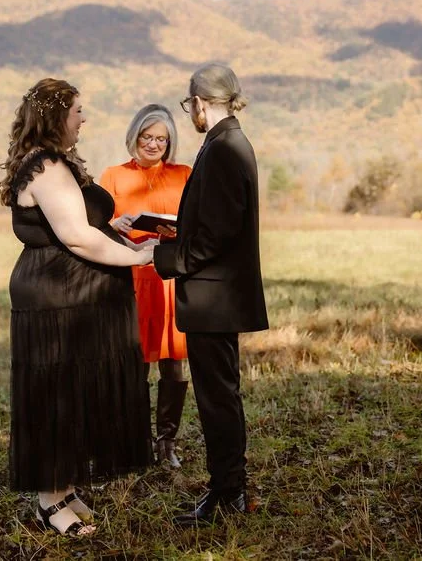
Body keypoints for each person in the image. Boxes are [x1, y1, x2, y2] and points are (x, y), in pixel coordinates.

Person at [0, 78, 155, 537]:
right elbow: (74, 236)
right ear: (55, 117)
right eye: (78, 111)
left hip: (79, 298)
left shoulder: (57, 162)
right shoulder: (45, 166)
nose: (84, 119)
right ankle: (49, 499)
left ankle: (64, 485)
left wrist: (116, 224)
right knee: (56, 393)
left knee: (78, 387)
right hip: (57, 298)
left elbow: (83, 221)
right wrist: (137, 257)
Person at [152, 63, 269, 527]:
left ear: (200, 102)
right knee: (219, 396)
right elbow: (215, 222)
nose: (191, 114)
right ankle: (228, 491)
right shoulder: (225, 144)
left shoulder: (224, 148)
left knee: (218, 398)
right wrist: (175, 231)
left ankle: (228, 495)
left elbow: (217, 236)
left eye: (190, 106)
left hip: (213, 299)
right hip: (214, 295)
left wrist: (161, 258)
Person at [99, 104, 191, 468]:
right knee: (132, 363)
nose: (153, 144)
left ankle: (166, 443)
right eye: (147, 137)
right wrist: (115, 225)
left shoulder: (184, 174)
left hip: (170, 279)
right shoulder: (113, 176)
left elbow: (198, 223)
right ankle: (133, 442)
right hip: (132, 279)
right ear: (134, 137)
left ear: (169, 143)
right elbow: (95, 227)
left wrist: (175, 230)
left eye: (161, 139)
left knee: (173, 365)